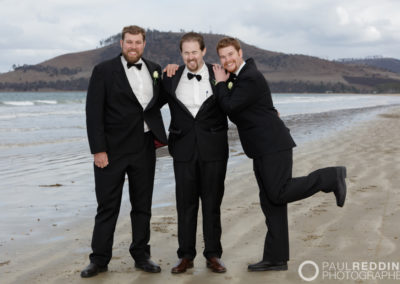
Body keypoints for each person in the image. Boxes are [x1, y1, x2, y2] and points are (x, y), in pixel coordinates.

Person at [212, 37, 347, 272]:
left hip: (272, 145)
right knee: (271, 202)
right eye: (222, 57)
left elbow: (230, 107)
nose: (227, 60)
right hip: (262, 147)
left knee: (278, 192)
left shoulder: (249, 77)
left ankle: (330, 177)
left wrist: (220, 83)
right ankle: (276, 257)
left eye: (230, 54)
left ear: (240, 52)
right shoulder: (241, 78)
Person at [81, 25, 167, 278]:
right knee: (107, 206)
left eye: (138, 42)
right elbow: (93, 112)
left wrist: (170, 73)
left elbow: (159, 100)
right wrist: (98, 150)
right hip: (112, 150)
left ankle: (141, 255)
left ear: (144, 44)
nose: (133, 46)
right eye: (129, 42)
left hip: (144, 147)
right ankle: (99, 260)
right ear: (121, 43)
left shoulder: (154, 70)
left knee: (142, 206)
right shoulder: (103, 71)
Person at [161, 32, 229, 273]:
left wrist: (269, 114)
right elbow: (148, 105)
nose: (190, 56)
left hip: (214, 150)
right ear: (181, 54)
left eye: (194, 52)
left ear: (203, 51)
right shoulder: (170, 77)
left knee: (212, 204)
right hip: (183, 150)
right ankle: (186, 256)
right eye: (186, 52)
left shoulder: (220, 74)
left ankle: (213, 255)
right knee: (185, 205)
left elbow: (239, 103)